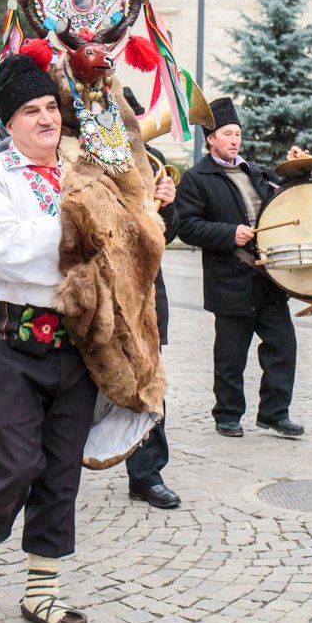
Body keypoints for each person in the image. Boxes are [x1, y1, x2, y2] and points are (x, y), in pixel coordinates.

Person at [0, 54, 94, 623]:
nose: (45, 120)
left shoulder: (87, 172)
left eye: (51, 109)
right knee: (12, 466)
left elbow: (119, 246)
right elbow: (5, 252)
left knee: (61, 474)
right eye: (30, 111)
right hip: (6, 338)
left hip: (76, 344)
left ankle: (42, 590)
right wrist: (81, 230)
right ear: (8, 122)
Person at [175, 96, 305, 440]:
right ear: (211, 140)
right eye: (227, 134)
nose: (234, 140)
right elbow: (186, 226)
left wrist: (294, 170)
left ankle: (276, 413)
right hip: (230, 279)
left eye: (237, 134)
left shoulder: (255, 171)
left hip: (267, 279)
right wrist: (228, 233)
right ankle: (228, 414)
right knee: (231, 355)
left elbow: (282, 200)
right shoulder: (196, 178)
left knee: (283, 346)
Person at [122, 87, 180, 510]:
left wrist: (165, 207)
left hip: (144, 292)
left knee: (149, 385)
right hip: (95, 289)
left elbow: (164, 237)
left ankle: (147, 473)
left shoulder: (148, 165)